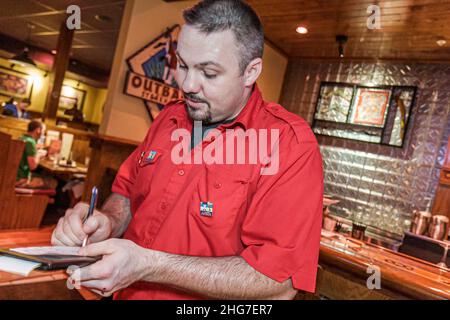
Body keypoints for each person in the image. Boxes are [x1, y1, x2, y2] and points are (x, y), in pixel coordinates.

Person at [52, 0, 323, 300]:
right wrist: (108, 223)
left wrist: (150, 265)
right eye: (182, 65)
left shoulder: (290, 145)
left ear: (250, 72)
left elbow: (278, 281)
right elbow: (128, 193)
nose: (188, 84)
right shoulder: (169, 117)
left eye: (208, 73)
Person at [16, 120, 56, 189]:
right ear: (38, 130)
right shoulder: (31, 143)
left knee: (43, 175)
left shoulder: (21, 138)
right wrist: (39, 154)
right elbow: (33, 166)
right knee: (53, 182)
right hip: (21, 180)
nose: (44, 134)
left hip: (15, 175)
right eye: (43, 131)